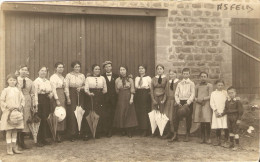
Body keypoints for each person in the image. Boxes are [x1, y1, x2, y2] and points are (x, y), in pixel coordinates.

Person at [0, 74, 24, 155]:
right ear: (7, 81)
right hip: (8, 112)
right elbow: (2, 100)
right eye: (10, 80)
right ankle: (9, 148)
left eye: (14, 80)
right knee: (9, 130)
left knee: (15, 130)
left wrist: (20, 107)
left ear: (16, 81)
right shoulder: (5, 90)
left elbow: (22, 99)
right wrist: (7, 106)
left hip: (16, 112)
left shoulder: (18, 90)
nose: (12, 81)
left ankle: (14, 147)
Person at [113, 66, 138, 138]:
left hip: (128, 96)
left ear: (126, 71)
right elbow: (117, 90)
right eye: (121, 70)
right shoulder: (117, 80)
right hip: (121, 97)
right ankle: (122, 129)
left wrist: (131, 98)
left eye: (124, 70)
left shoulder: (130, 79)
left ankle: (129, 130)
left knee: (129, 113)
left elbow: (132, 89)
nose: (122, 71)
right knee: (121, 112)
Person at [65, 61, 86, 142]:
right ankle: (72, 134)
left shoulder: (82, 75)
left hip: (81, 94)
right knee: (72, 113)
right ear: (72, 67)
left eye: (78, 67)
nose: (77, 68)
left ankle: (80, 132)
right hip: (72, 94)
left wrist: (81, 88)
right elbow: (66, 87)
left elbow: (85, 85)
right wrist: (68, 98)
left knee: (80, 112)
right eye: (75, 67)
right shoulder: (69, 75)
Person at [85, 64, 107, 138]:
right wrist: (89, 93)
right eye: (95, 69)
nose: (97, 71)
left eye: (98, 69)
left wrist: (100, 94)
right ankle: (89, 132)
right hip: (91, 96)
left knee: (99, 113)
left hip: (100, 97)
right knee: (91, 112)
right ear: (92, 70)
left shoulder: (102, 78)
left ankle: (97, 132)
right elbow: (86, 89)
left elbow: (105, 89)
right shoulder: (88, 78)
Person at [174, 68, 195, 142]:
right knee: (176, 117)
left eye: (187, 74)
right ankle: (175, 134)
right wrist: (178, 102)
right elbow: (176, 94)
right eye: (184, 73)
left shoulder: (191, 83)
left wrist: (188, 103)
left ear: (189, 74)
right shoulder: (179, 83)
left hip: (188, 102)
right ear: (182, 74)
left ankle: (187, 134)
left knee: (188, 118)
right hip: (180, 101)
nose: (185, 75)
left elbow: (193, 94)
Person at [34, 66, 53, 147]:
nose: (43, 72)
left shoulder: (48, 81)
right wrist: (36, 104)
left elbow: (51, 90)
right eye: (41, 71)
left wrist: (50, 95)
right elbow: (35, 93)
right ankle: (38, 139)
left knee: (45, 119)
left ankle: (44, 138)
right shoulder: (36, 81)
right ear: (38, 72)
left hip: (46, 100)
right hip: (39, 100)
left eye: (45, 71)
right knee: (40, 119)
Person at [17, 65, 35, 149]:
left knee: (25, 119)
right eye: (22, 69)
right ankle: (16, 140)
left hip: (27, 100)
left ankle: (22, 141)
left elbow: (32, 93)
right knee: (18, 118)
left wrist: (33, 104)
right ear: (19, 70)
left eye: (26, 70)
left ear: (27, 72)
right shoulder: (16, 80)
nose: (24, 71)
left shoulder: (30, 81)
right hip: (17, 100)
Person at [50, 62, 68, 143]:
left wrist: (67, 97)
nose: (61, 69)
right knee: (57, 113)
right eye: (59, 67)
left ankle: (61, 132)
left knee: (62, 113)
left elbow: (65, 88)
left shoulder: (63, 77)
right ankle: (56, 134)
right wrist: (57, 99)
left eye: (62, 67)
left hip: (62, 95)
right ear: (55, 68)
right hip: (56, 95)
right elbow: (53, 89)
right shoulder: (53, 77)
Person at [194, 72, 213, 144]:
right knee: (201, 121)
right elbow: (195, 96)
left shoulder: (210, 86)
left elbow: (211, 95)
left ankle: (208, 137)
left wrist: (203, 99)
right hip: (199, 104)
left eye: (204, 76)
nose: (203, 78)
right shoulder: (197, 86)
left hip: (206, 104)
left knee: (207, 121)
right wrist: (197, 100)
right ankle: (202, 137)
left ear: (207, 77)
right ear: (199, 77)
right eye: (201, 76)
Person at [222, 86, 244, 151]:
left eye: (232, 93)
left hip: (235, 117)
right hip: (229, 117)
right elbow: (226, 109)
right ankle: (231, 143)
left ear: (235, 93)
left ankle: (237, 145)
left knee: (235, 131)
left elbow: (240, 111)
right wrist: (222, 114)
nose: (231, 94)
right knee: (230, 130)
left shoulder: (237, 101)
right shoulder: (227, 101)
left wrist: (239, 119)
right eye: (229, 93)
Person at [102, 61, 119, 137]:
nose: (108, 68)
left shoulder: (116, 76)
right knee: (106, 115)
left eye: (109, 66)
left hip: (114, 98)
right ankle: (107, 130)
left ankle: (113, 130)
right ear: (104, 68)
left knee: (113, 114)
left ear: (111, 67)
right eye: (106, 67)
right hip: (105, 99)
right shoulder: (102, 76)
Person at [210, 80, 229, 147]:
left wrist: (225, 111)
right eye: (219, 85)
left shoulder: (226, 93)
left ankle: (225, 140)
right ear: (216, 85)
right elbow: (212, 103)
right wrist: (215, 111)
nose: (220, 86)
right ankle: (218, 140)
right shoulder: (213, 93)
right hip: (217, 112)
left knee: (225, 126)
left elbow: (228, 101)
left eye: (221, 85)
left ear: (223, 85)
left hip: (224, 112)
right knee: (218, 126)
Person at [134, 65, 152, 137]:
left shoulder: (148, 78)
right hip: (138, 94)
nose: (141, 70)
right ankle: (140, 128)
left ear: (145, 70)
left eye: (142, 68)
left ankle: (145, 129)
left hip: (145, 94)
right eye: (139, 68)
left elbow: (151, 88)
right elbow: (136, 87)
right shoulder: (137, 78)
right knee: (139, 111)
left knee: (145, 112)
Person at [150, 64, 167, 137]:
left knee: (162, 114)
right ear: (156, 70)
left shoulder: (166, 78)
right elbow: (151, 89)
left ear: (163, 70)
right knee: (154, 113)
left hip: (162, 97)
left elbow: (167, 90)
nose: (159, 70)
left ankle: (162, 132)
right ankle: (155, 131)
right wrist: (153, 99)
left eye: (161, 69)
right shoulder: (153, 79)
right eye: (158, 69)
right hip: (155, 96)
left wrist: (164, 99)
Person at [163, 70, 179, 140]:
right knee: (166, 116)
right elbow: (166, 92)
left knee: (173, 117)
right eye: (170, 74)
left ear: (176, 74)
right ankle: (169, 133)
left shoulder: (178, 83)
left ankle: (175, 134)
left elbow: (179, 93)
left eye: (173, 74)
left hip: (174, 101)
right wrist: (164, 99)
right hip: (168, 102)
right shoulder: (168, 83)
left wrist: (177, 101)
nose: (171, 76)